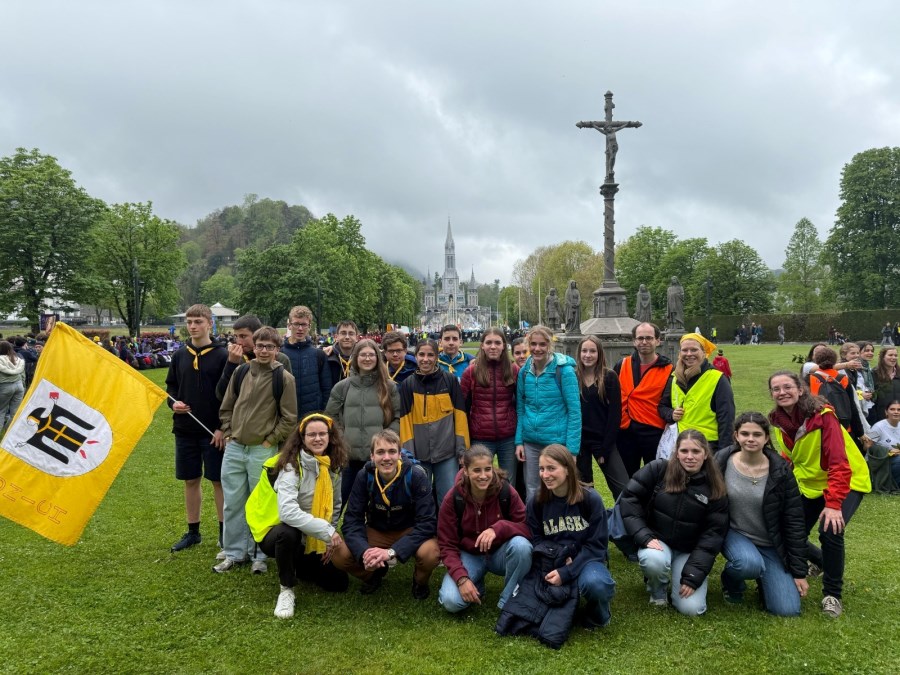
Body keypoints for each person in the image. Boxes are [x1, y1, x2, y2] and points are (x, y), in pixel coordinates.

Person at [768, 370, 871, 617]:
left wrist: (834, 504)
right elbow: (789, 458)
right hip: (810, 484)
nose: (782, 392)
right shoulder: (778, 421)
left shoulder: (823, 417)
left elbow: (839, 463)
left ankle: (832, 595)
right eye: (776, 389)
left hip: (847, 480)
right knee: (787, 531)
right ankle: (822, 562)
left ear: (801, 389)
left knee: (830, 528)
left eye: (787, 387)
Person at [496, 445, 615, 647]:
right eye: (542, 469)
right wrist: (558, 558)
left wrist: (568, 571)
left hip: (586, 559)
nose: (545, 474)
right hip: (551, 560)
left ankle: (598, 615)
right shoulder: (537, 501)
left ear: (567, 468)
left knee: (596, 583)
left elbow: (597, 546)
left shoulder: (590, 499)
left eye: (552, 468)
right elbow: (536, 539)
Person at [249, 413, 349, 618]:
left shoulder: (333, 464)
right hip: (274, 532)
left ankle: (300, 565)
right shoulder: (290, 466)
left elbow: (335, 505)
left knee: (338, 583)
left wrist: (327, 540)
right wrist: (326, 531)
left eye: (323, 434)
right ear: (302, 439)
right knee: (288, 533)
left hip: (310, 534)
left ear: (331, 437)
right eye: (311, 434)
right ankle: (286, 589)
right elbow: (287, 512)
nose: (318, 438)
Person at [216, 326, 298, 573]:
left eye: (270, 347)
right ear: (254, 346)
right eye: (260, 345)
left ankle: (259, 554)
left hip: (262, 449)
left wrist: (269, 440)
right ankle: (234, 552)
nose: (264, 351)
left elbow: (289, 417)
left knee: (260, 503)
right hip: (235, 447)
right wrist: (229, 431)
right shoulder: (241, 372)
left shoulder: (283, 378)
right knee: (232, 502)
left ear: (277, 350)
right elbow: (227, 405)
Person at [620, 429, 729, 615]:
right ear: (676, 452)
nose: (690, 457)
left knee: (691, 609)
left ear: (705, 454)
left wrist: (693, 576)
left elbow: (713, 536)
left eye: (696, 451)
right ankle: (657, 589)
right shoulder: (658, 469)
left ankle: (688, 580)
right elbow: (629, 498)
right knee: (653, 559)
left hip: (690, 551)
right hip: (659, 540)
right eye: (684, 451)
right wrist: (643, 535)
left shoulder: (715, 486)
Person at [716, 413, 808, 616]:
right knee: (748, 564)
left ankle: (763, 577)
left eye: (757, 434)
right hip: (735, 534)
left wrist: (799, 573)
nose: (751, 439)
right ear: (736, 436)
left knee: (787, 610)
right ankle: (732, 583)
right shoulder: (722, 461)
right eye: (745, 433)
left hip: (771, 543)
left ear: (766, 438)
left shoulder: (781, 471)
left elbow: (794, 522)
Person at [331, 430, 441, 599]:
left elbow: (427, 523)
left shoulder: (416, 475)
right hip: (378, 531)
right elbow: (352, 520)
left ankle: (419, 582)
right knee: (338, 554)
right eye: (380, 452)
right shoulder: (364, 475)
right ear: (372, 456)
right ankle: (373, 575)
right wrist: (364, 552)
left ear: (399, 454)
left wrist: (391, 552)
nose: (386, 458)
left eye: (391, 451)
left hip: (409, 530)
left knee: (430, 553)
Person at [437, 446, 532, 613]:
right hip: (470, 555)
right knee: (451, 602)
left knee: (522, 545)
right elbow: (447, 545)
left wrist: (499, 528)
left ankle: (508, 602)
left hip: (499, 552)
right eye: (476, 470)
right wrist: (461, 579)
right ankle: (475, 581)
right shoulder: (453, 498)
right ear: (465, 471)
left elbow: (527, 527)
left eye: (487, 469)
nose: (483, 476)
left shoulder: (505, 490)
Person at [165, 304, 229, 553]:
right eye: (189, 322)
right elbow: (170, 388)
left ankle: (224, 533)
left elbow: (229, 396)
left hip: (213, 431)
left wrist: (223, 427)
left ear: (209, 323)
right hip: (184, 429)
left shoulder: (223, 355)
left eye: (198, 322)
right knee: (190, 480)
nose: (192, 326)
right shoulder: (180, 355)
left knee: (217, 481)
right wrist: (174, 404)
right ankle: (193, 532)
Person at [325, 339, 401, 505]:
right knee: (340, 498)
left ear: (377, 358)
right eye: (363, 355)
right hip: (349, 456)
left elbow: (398, 417)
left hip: (377, 456)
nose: (367, 359)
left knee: (378, 501)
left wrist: (386, 440)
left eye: (371, 355)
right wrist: (342, 438)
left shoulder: (388, 387)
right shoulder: (342, 387)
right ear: (355, 358)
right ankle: (329, 530)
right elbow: (330, 417)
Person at [399, 339, 469, 505]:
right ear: (415, 356)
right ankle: (426, 531)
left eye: (430, 355)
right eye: (421, 354)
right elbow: (405, 422)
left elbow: (460, 417)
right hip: (419, 455)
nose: (426, 359)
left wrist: (462, 451)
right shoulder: (408, 384)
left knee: (448, 499)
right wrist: (408, 456)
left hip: (447, 454)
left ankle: (446, 531)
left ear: (437, 357)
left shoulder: (450, 381)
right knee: (420, 500)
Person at [515, 326, 581, 499]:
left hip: (556, 442)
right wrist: (519, 441)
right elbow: (521, 407)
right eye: (533, 344)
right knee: (532, 489)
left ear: (550, 345)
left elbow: (574, 411)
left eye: (542, 344)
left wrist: (572, 451)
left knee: (558, 488)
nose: (537, 349)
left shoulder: (564, 371)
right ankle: (533, 524)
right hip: (531, 442)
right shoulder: (524, 372)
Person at [460, 329, 519, 490]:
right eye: (489, 343)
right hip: (480, 437)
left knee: (508, 484)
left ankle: (506, 514)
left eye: (497, 343)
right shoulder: (471, 372)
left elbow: (521, 404)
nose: (493, 347)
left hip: (508, 436)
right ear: (482, 346)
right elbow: (461, 409)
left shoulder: (513, 370)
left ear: (503, 346)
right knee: (480, 483)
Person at [659, 332, 735, 452]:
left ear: (704, 353)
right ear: (680, 353)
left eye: (694, 350)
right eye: (685, 350)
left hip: (708, 447)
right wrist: (671, 414)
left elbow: (727, 420)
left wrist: (724, 453)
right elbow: (663, 406)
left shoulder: (718, 378)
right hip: (680, 446)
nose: (689, 354)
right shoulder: (674, 377)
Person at [615, 322, 674, 477]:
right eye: (640, 338)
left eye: (649, 338)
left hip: (653, 432)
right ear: (634, 341)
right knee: (626, 479)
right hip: (625, 432)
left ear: (658, 341)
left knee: (654, 478)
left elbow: (669, 402)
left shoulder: (669, 369)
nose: (644, 342)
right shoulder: (622, 364)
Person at [576, 336, 627, 499]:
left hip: (603, 440)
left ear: (599, 354)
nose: (588, 355)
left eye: (592, 351)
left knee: (623, 488)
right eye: (584, 351)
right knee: (583, 489)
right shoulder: (573, 376)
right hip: (579, 442)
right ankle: (590, 521)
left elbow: (615, 416)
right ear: (579, 353)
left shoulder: (609, 377)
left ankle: (623, 521)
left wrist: (605, 449)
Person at [215, 314, 292, 400]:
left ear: (256, 334)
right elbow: (220, 395)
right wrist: (231, 364)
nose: (238, 342)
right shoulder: (235, 358)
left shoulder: (280, 358)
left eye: (243, 336)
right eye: (236, 336)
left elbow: (288, 396)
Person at [281, 305, 331, 418]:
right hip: (286, 417)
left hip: (312, 416)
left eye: (303, 324)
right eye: (296, 324)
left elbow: (326, 389)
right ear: (289, 325)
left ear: (309, 326)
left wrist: (322, 414)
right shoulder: (280, 354)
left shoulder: (319, 355)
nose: (300, 328)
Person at [861, 399, 900, 494]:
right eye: (892, 409)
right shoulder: (878, 427)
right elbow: (866, 447)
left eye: (899, 410)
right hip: (881, 462)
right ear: (886, 412)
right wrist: (887, 451)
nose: (896, 412)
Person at [325, 320, 359, 388]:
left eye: (351, 333)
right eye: (343, 333)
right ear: (336, 337)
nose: (347, 337)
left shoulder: (362, 357)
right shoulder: (326, 357)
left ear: (357, 338)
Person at [0, 341, 25, 431]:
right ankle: (9, 431)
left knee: (1, 411)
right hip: (19, 386)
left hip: (4, 387)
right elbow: (22, 375)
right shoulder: (17, 359)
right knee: (16, 412)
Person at [872, 347, 900, 423]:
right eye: (890, 355)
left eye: (895, 355)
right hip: (880, 418)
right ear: (882, 357)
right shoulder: (874, 374)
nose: (893, 358)